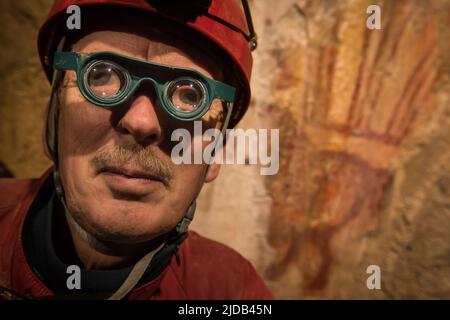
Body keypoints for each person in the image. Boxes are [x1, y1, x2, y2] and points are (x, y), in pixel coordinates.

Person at [0, 0, 273, 300]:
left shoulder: (230, 292)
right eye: (101, 76)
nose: (141, 122)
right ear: (53, 117)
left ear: (217, 152)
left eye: (190, 96)